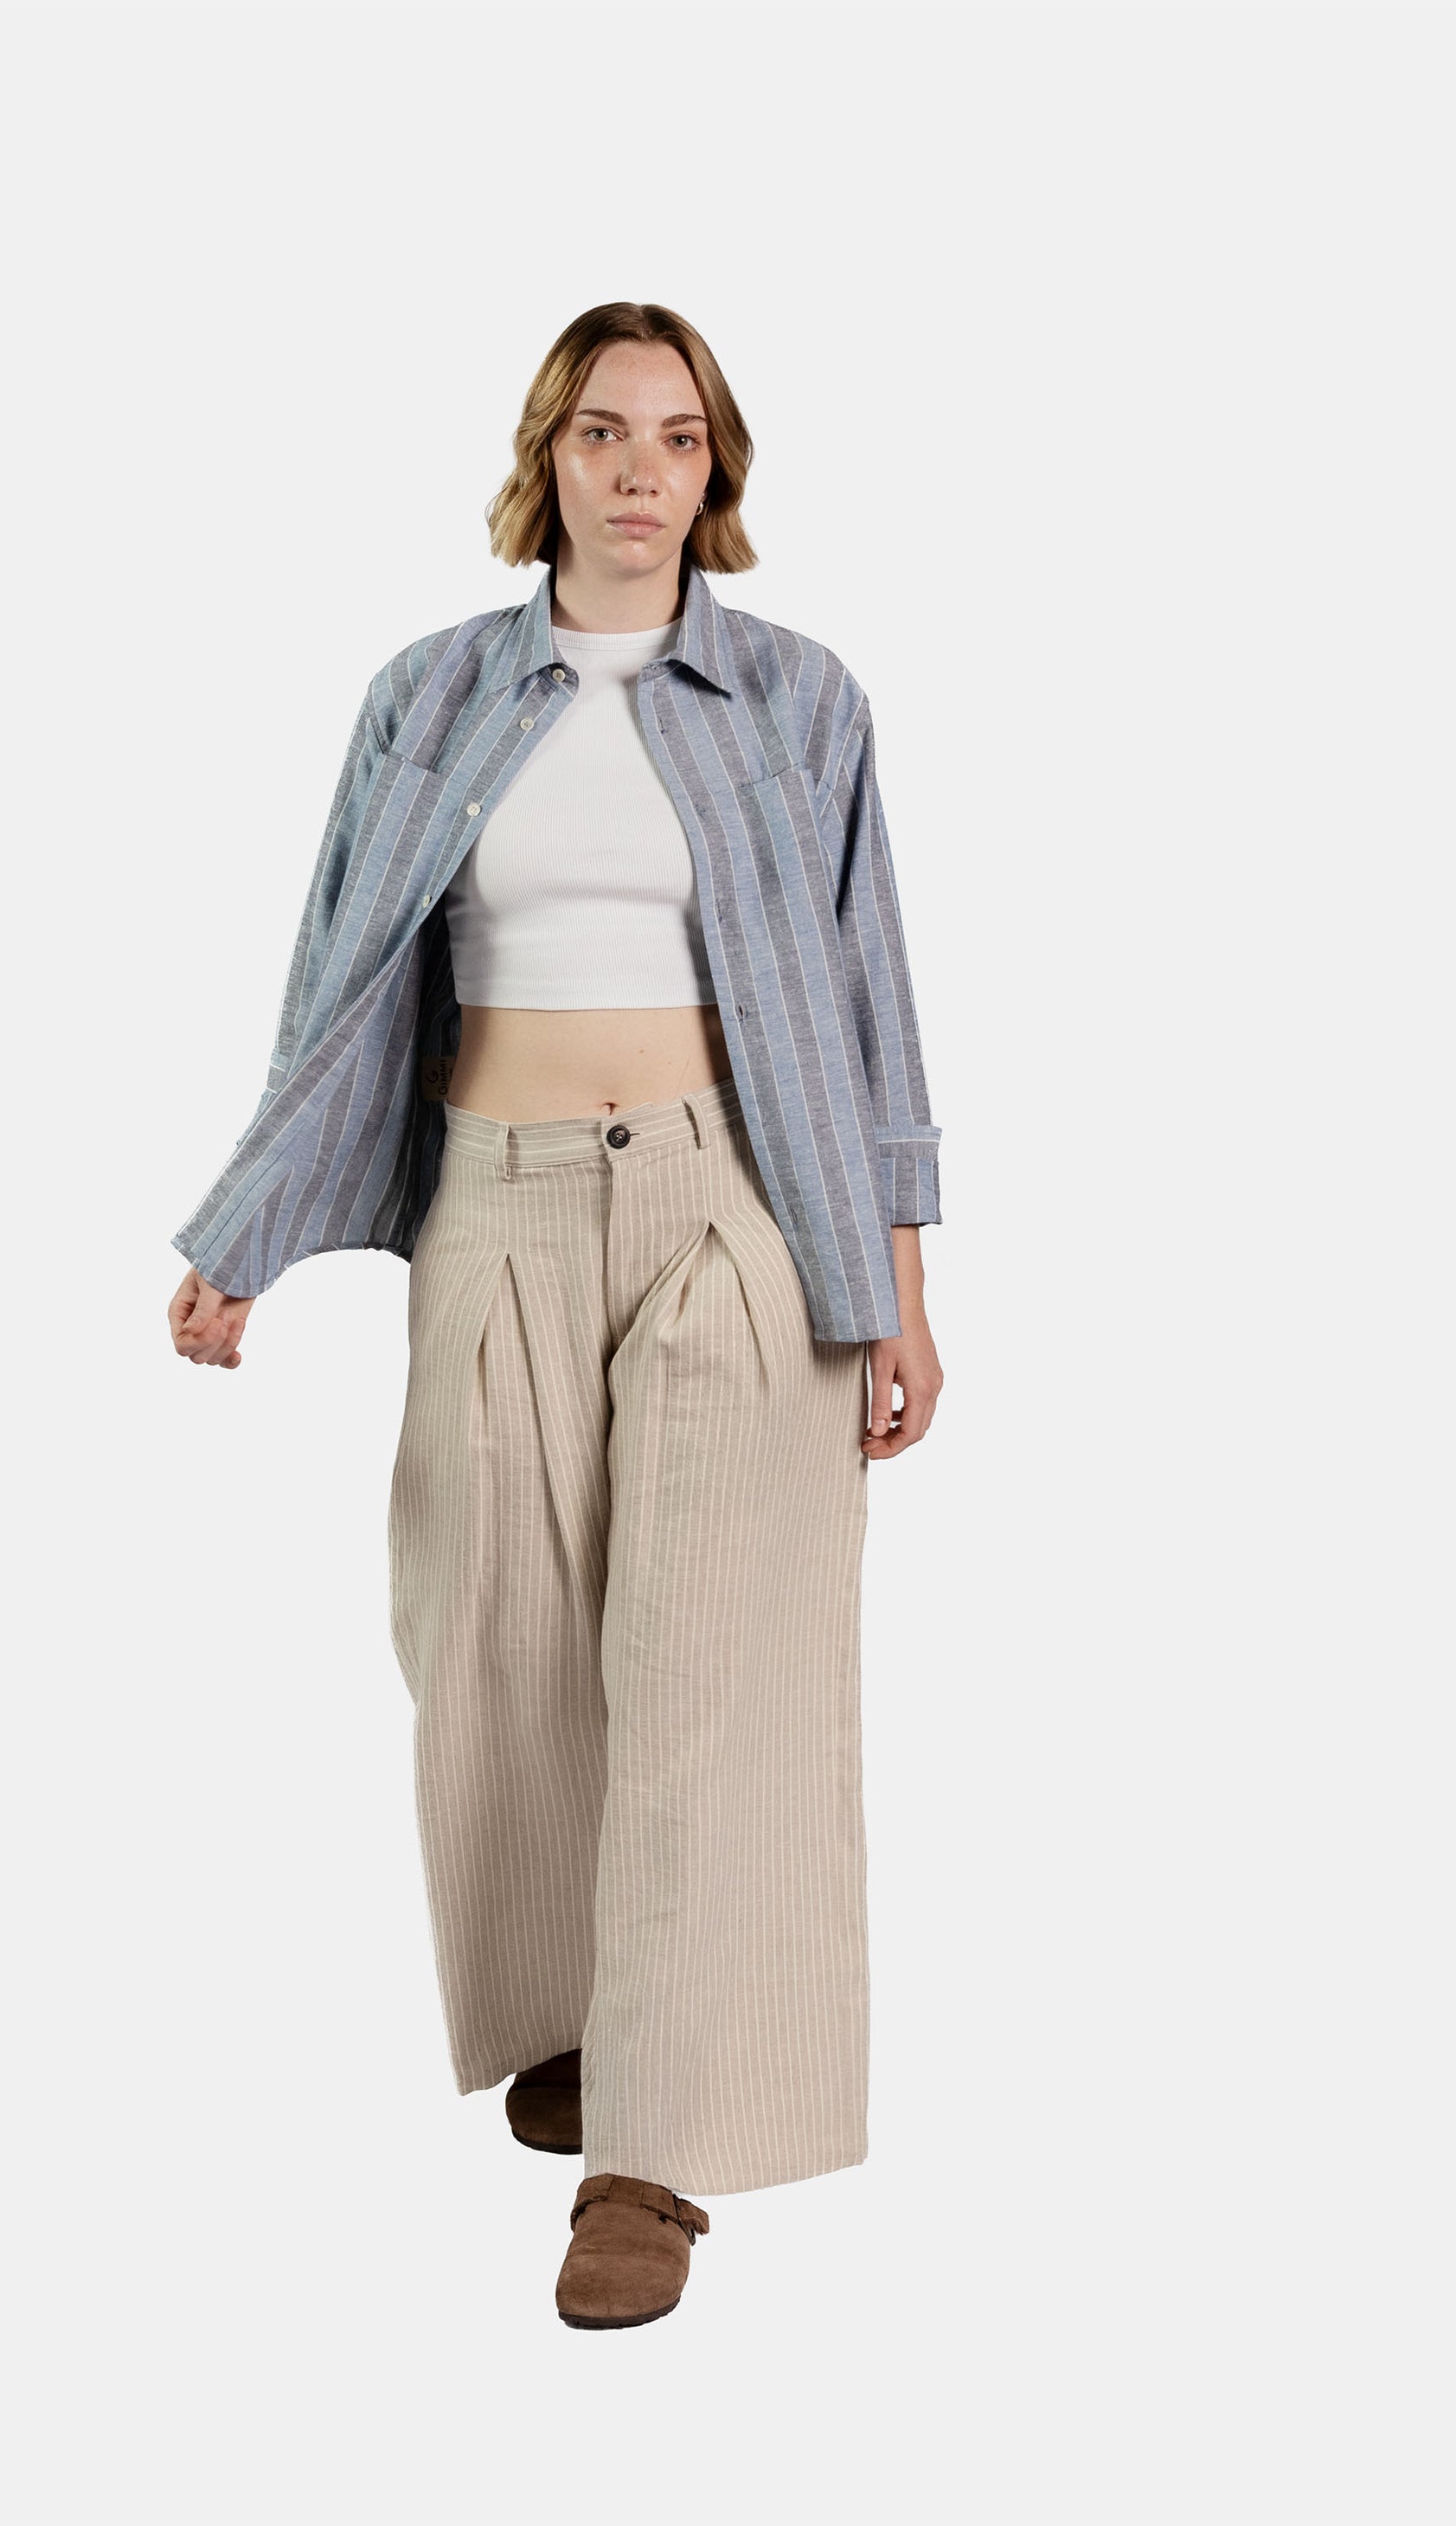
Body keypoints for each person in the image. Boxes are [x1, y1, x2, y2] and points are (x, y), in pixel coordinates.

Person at [167, 302, 945, 2330]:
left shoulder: (798, 697)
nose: (637, 471)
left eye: (676, 438)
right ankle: (586, 2011)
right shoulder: (430, 694)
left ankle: (649, 2162)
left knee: (709, 1671)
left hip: (733, 1208)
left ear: (715, 472)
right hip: (493, 1206)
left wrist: (896, 1290)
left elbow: (866, 1003)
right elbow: (339, 980)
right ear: (549, 458)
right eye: (603, 432)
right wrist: (249, 1228)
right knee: (490, 1640)